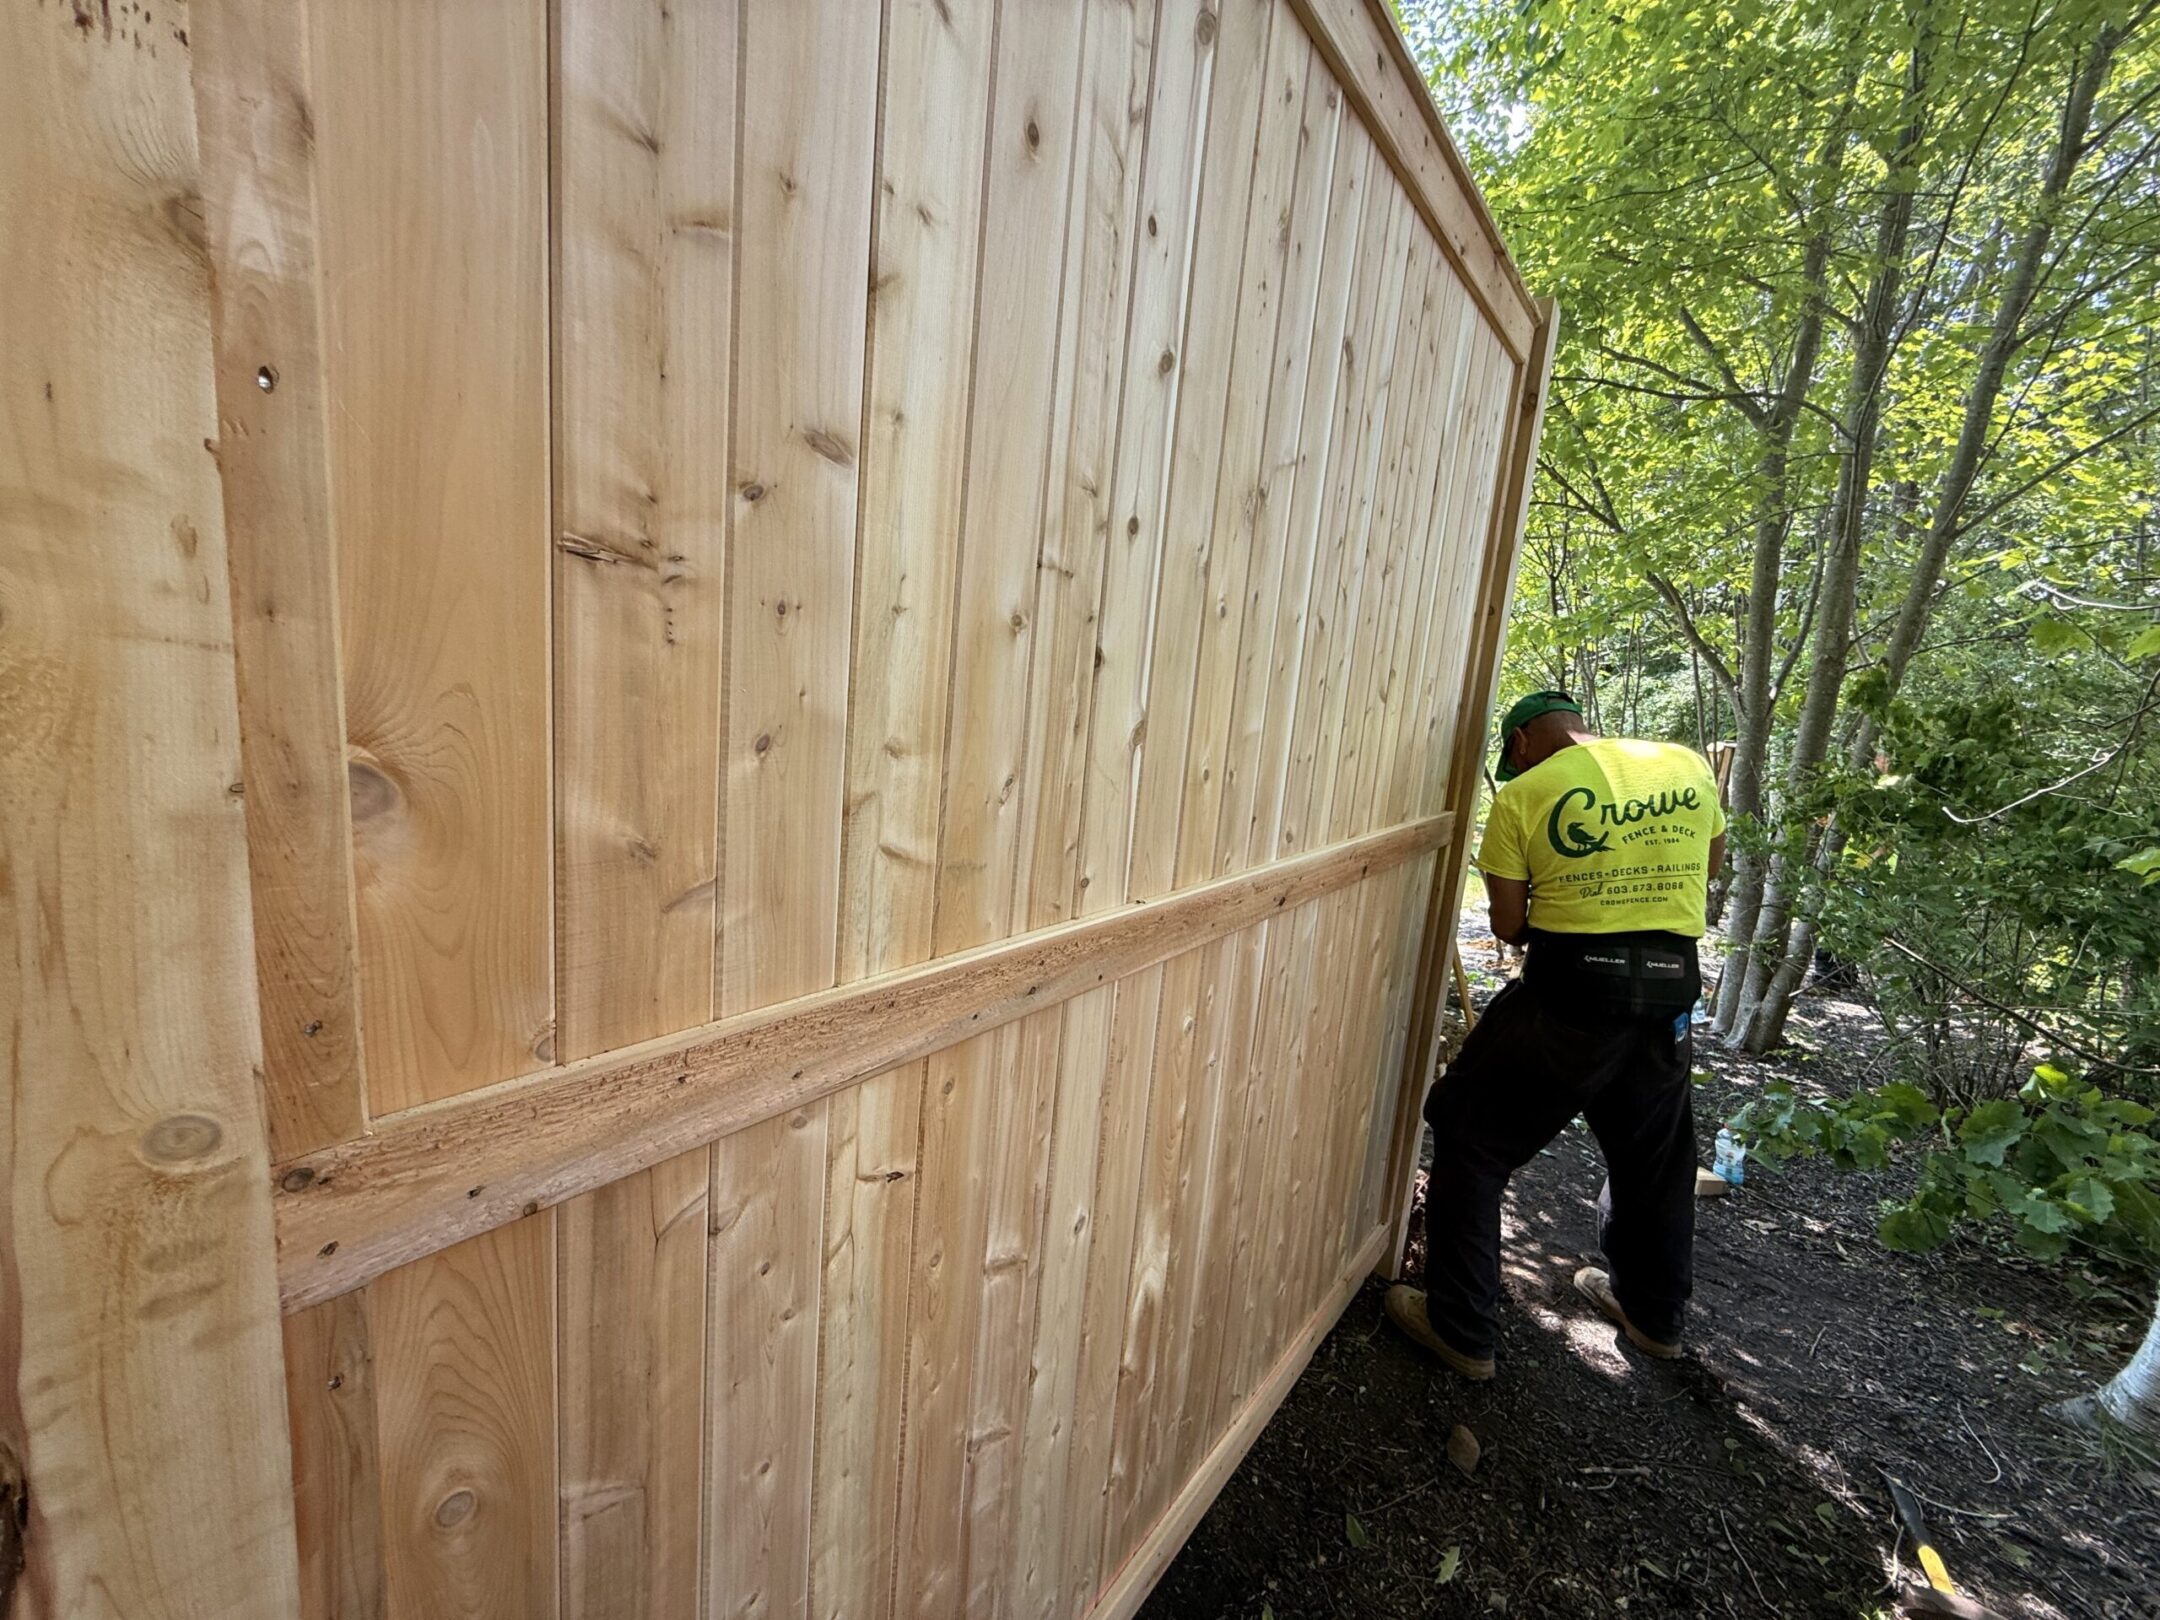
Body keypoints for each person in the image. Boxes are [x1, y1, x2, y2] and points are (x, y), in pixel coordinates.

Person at [1386, 691, 1726, 1378]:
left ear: (1519, 745)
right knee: (1655, 1162)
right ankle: (1654, 1319)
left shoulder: (1524, 796)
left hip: (1573, 997)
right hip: (1668, 996)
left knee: (1470, 1137)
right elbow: (1708, 869)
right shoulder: (1687, 766)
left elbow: (1508, 924)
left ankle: (1462, 1329)